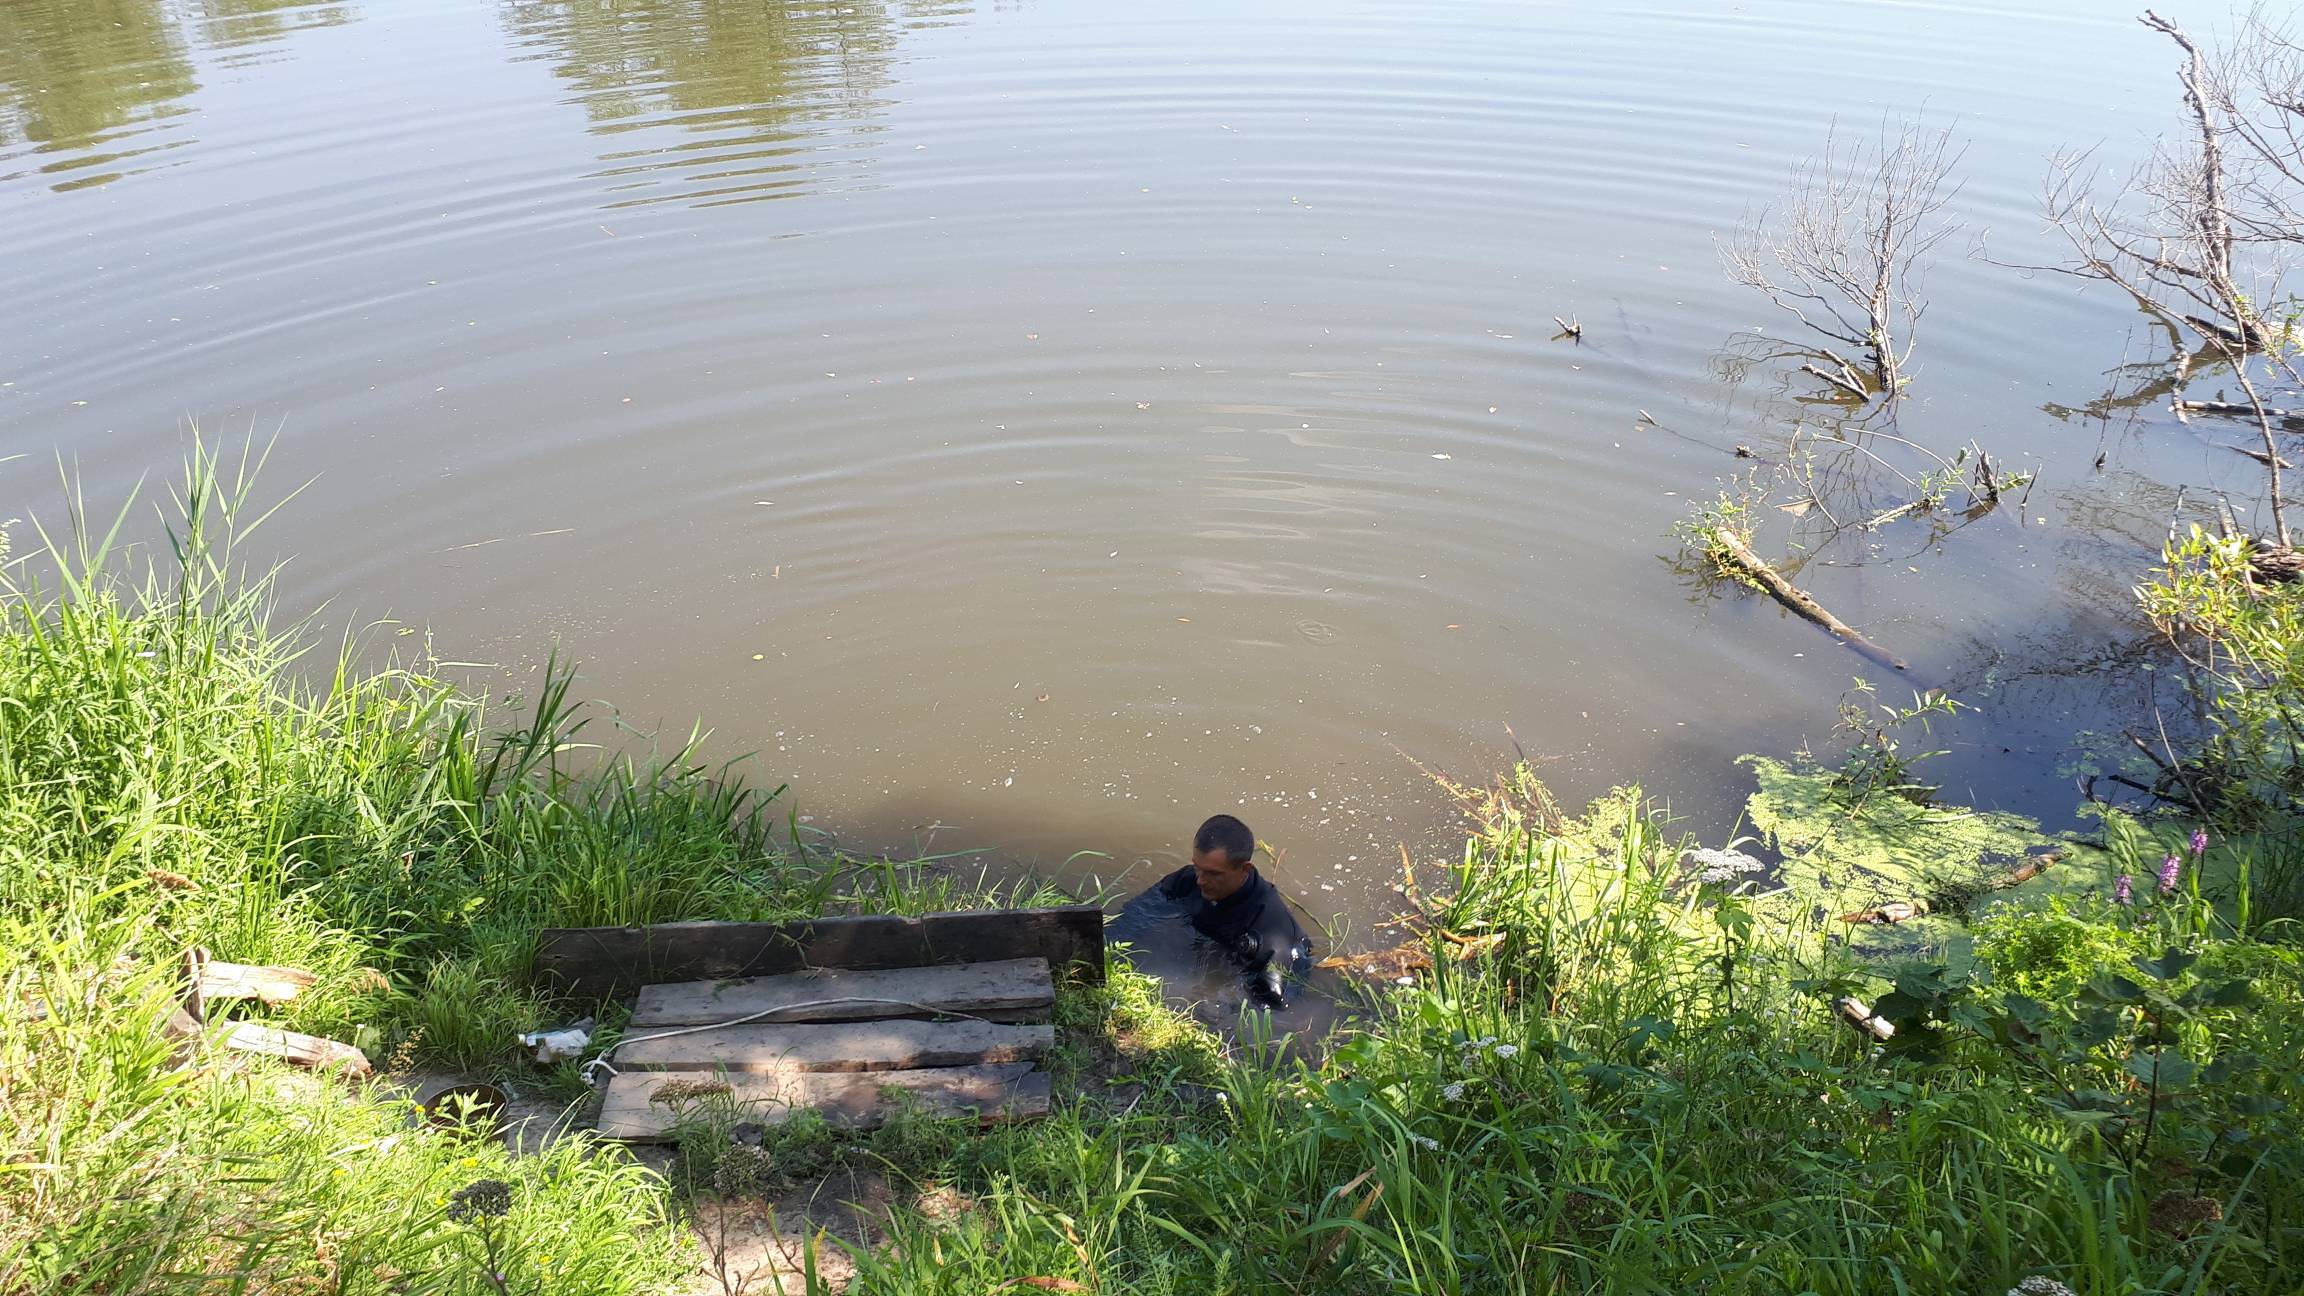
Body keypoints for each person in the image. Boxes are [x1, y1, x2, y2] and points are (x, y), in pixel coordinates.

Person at [1142, 813, 1312, 1007]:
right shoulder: (1188, 881)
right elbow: (1138, 913)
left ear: (1245, 869)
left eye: (1213, 873)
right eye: (1197, 867)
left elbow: (1273, 1007)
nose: (1200, 880)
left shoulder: (1272, 933)